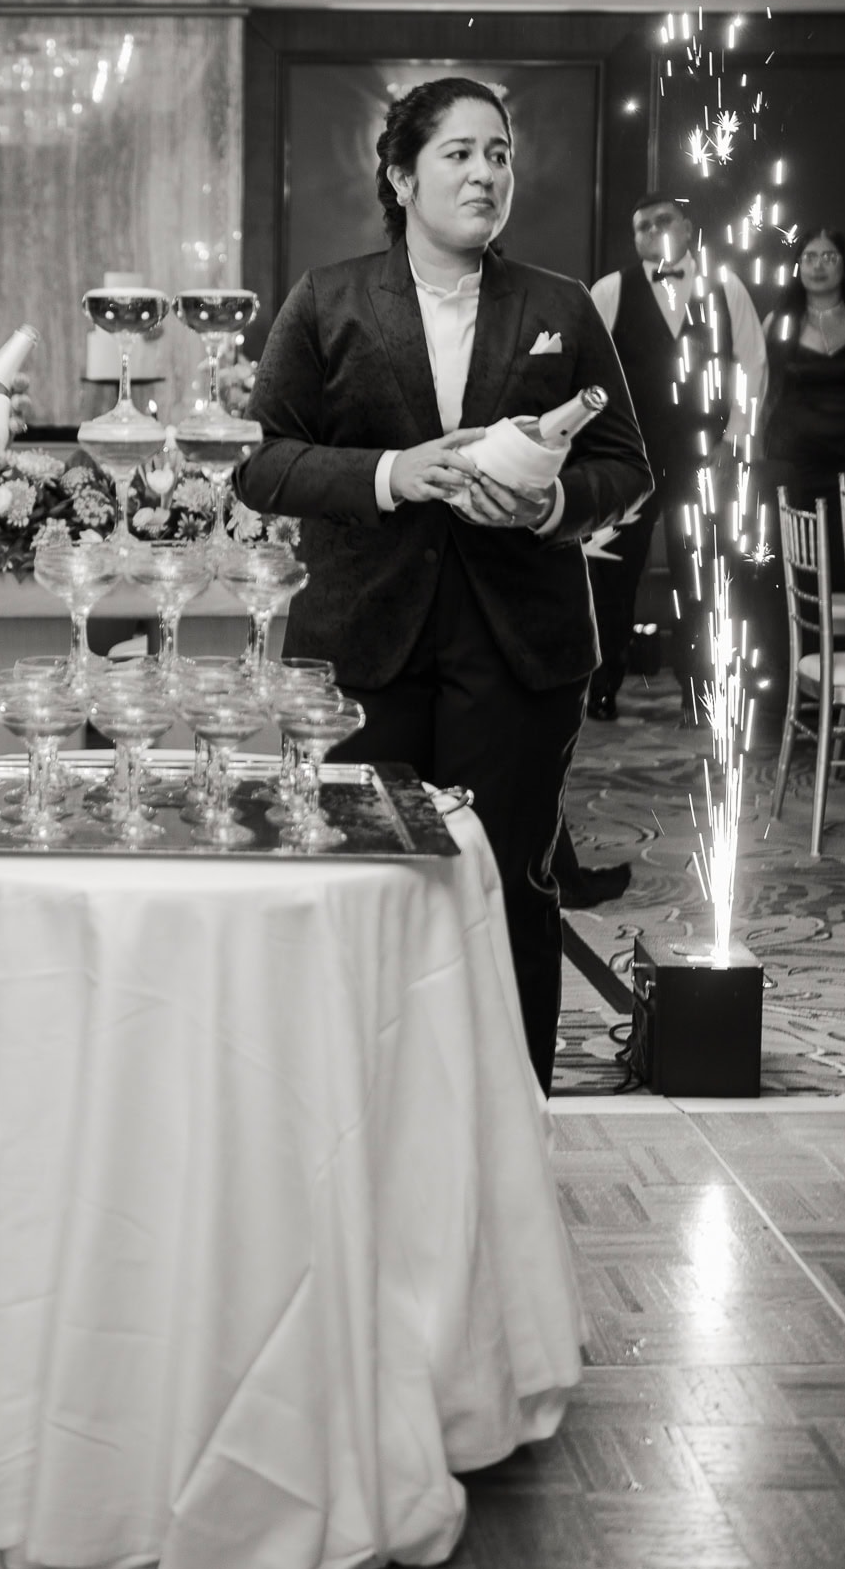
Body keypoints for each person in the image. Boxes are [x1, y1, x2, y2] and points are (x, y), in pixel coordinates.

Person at [239, 77, 651, 1094]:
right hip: (361, 649)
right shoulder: (328, 299)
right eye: (460, 153)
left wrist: (553, 507)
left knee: (507, 885)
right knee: (368, 885)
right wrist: (391, 472)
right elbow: (261, 459)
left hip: (522, 648)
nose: (484, 172)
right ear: (401, 174)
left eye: (499, 154)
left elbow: (626, 465)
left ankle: (508, 1123)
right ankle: (358, 1113)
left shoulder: (556, 307)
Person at [588, 195, 766, 722]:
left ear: (687, 228)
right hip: (629, 459)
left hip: (704, 456)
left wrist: (733, 441)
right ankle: (602, 687)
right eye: (642, 226)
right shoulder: (611, 289)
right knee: (613, 579)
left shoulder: (726, 285)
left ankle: (702, 693)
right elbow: (588, 372)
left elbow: (752, 364)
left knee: (704, 575)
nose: (653, 231)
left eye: (663, 221)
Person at [759, 227, 845, 586]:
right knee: (801, 559)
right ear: (798, 267)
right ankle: (801, 641)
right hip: (796, 461)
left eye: (828, 257)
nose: (818, 265)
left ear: (844, 266)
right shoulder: (778, 323)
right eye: (809, 257)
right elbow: (763, 392)